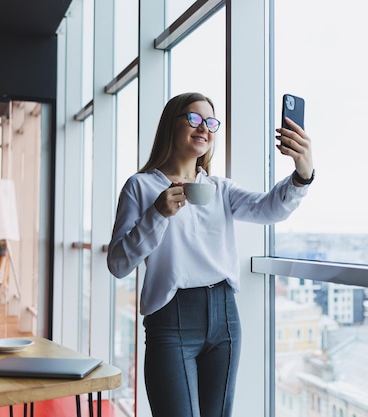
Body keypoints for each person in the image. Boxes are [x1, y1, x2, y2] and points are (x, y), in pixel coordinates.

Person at [107, 92, 314, 417]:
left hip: (225, 317)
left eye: (211, 122)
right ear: (170, 126)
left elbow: (269, 208)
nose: (204, 128)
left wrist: (302, 174)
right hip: (171, 316)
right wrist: (157, 214)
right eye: (194, 119)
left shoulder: (220, 189)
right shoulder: (141, 187)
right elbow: (118, 264)